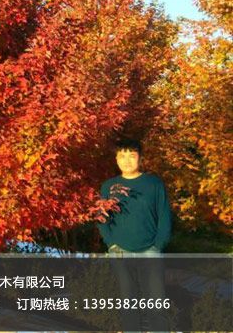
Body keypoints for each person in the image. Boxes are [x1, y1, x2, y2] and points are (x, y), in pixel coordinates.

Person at [97, 138, 172, 332]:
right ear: (116, 159)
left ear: (141, 158)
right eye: (122, 156)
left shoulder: (153, 184)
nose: (127, 160)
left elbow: (164, 216)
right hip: (120, 250)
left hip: (150, 250)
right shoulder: (109, 186)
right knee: (128, 302)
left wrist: (158, 245)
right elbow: (102, 218)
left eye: (132, 155)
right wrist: (111, 243)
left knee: (156, 302)